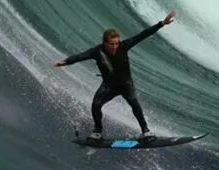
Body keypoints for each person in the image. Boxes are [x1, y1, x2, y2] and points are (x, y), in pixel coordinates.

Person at [54, 11, 176, 140]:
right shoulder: (97, 51)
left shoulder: (123, 46)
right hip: (109, 86)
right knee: (96, 105)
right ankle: (98, 132)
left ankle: (145, 131)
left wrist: (162, 23)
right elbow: (81, 56)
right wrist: (67, 61)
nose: (114, 46)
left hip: (125, 84)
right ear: (105, 43)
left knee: (134, 103)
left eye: (116, 43)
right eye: (111, 44)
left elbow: (142, 35)